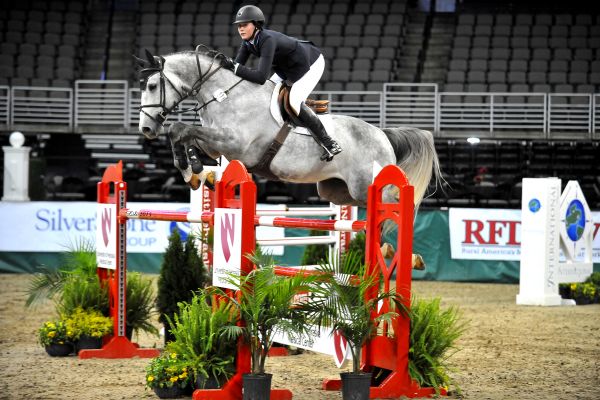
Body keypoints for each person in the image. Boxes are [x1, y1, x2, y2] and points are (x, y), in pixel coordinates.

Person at [220, 5, 342, 161]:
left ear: (256, 25)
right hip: (287, 68)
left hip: (310, 64)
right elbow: (236, 69)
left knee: (293, 101)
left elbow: (260, 77)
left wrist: (234, 67)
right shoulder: (248, 43)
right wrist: (224, 66)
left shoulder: (267, 40)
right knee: (266, 93)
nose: (241, 29)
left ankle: (329, 143)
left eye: (244, 25)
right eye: (239, 26)